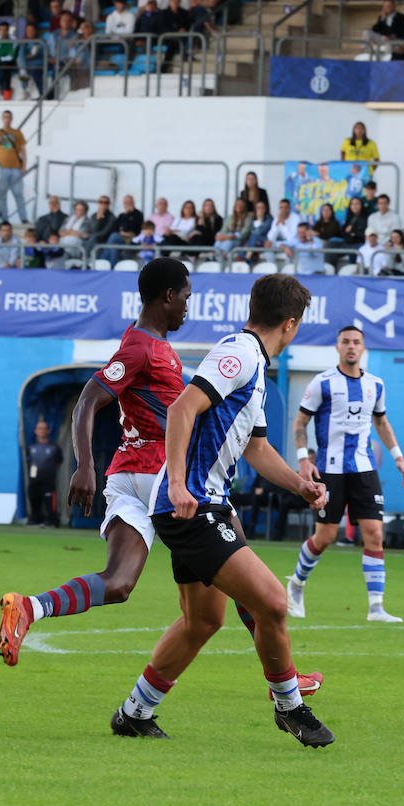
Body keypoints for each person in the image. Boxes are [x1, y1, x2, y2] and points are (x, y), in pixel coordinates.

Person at [0, 261, 324, 705]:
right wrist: (84, 464)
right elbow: (90, 400)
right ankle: (283, 678)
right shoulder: (143, 348)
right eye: (186, 297)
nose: (189, 307)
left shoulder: (160, 349)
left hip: (128, 476)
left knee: (121, 584)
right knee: (236, 546)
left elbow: (250, 444)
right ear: (168, 296)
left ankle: (30, 608)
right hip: (158, 478)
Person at [108, 274, 334, 745]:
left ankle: (135, 712)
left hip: (194, 507)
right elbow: (181, 409)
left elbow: (257, 448)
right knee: (272, 601)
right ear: (290, 325)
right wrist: (175, 482)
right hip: (192, 506)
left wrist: (301, 486)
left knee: (203, 621)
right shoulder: (240, 354)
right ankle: (290, 705)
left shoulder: (256, 366)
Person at [285, 325, 404, 624]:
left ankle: (376, 607)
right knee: (325, 536)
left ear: (363, 347)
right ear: (337, 347)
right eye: (346, 342)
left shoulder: (375, 385)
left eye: (356, 342)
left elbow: (382, 424)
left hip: (364, 467)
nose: (351, 347)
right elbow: (300, 423)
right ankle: (296, 584)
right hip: (329, 470)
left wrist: (399, 460)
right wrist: (304, 460)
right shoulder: (322, 383)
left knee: (375, 533)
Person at [0, 109, 29, 225]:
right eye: (5, 117)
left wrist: (24, 166)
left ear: (12, 119)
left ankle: (24, 218)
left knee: (19, 194)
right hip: (1, 169)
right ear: (2, 118)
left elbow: (23, 151)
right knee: (2, 196)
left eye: (9, 117)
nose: (7, 119)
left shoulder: (17, 133)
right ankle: (5, 219)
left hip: (15, 168)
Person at [25, 419, 63, 527]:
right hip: (34, 480)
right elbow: (29, 462)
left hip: (48, 481)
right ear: (35, 431)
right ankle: (35, 519)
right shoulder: (32, 447)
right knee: (34, 500)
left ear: (48, 431)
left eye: (44, 428)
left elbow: (58, 462)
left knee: (50, 501)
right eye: (39, 428)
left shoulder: (54, 447)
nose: (42, 431)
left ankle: (52, 521)